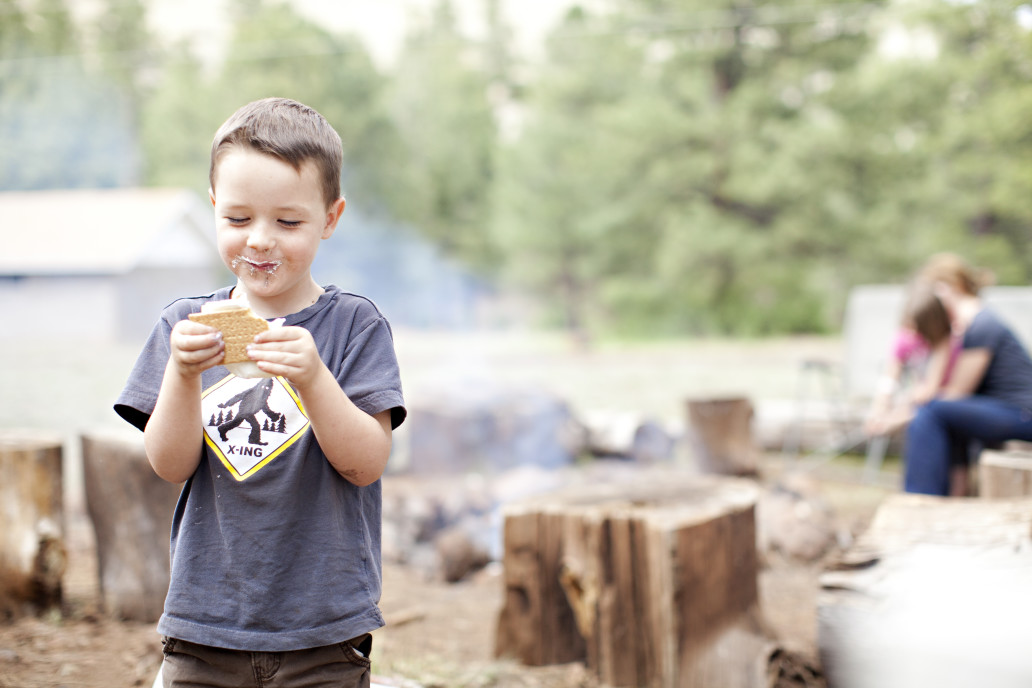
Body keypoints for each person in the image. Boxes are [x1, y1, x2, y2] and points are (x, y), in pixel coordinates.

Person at [114, 97, 406, 687]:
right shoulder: (184, 327)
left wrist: (314, 378)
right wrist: (182, 375)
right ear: (215, 209)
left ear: (330, 218)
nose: (262, 241)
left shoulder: (354, 326)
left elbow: (365, 465)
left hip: (323, 633)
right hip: (204, 626)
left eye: (289, 222)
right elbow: (169, 465)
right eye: (239, 219)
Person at [903, 253, 1032, 496]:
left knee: (932, 411)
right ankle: (945, 494)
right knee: (940, 413)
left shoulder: (982, 324)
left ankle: (921, 496)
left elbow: (956, 393)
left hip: (1022, 413)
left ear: (948, 288)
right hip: (1006, 410)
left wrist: (897, 417)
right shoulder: (966, 327)